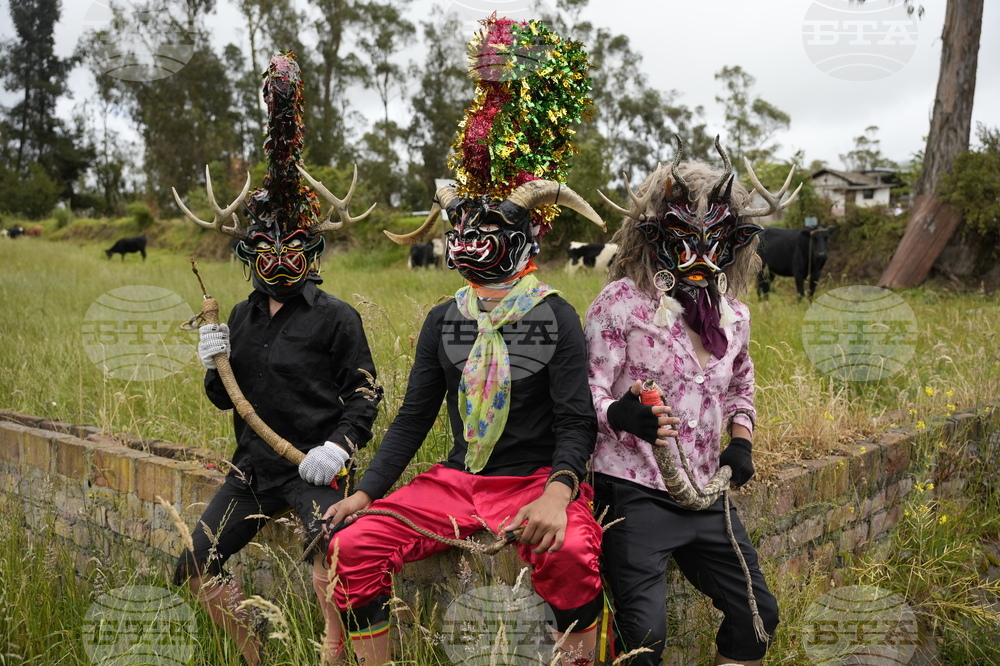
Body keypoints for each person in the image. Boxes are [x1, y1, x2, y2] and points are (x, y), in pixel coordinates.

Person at [323, 16, 608, 665]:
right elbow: (412, 418)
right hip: (458, 482)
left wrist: (560, 494)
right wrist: (368, 490)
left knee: (567, 550)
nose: (471, 243)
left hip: (534, 478)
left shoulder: (556, 316)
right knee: (354, 543)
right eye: (462, 232)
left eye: (490, 231)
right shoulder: (442, 319)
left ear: (524, 242)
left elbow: (575, 420)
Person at [171, 52, 380, 665]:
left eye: (295, 248)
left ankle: (331, 655)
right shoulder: (237, 316)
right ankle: (256, 650)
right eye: (268, 248)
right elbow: (222, 399)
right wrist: (213, 364)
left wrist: (338, 448)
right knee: (193, 564)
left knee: (333, 558)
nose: (281, 261)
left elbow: (367, 392)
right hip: (252, 469)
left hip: (310, 468)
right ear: (250, 250)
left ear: (311, 251)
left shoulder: (337, 316)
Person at [585, 138, 791, 665]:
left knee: (757, 617)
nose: (699, 251)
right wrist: (618, 414)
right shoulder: (621, 303)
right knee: (644, 639)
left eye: (714, 237)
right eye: (684, 235)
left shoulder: (735, 316)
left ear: (734, 241)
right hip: (633, 491)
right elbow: (585, 389)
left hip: (706, 494)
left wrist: (740, 443)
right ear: (655, 233)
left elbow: (742, 385)